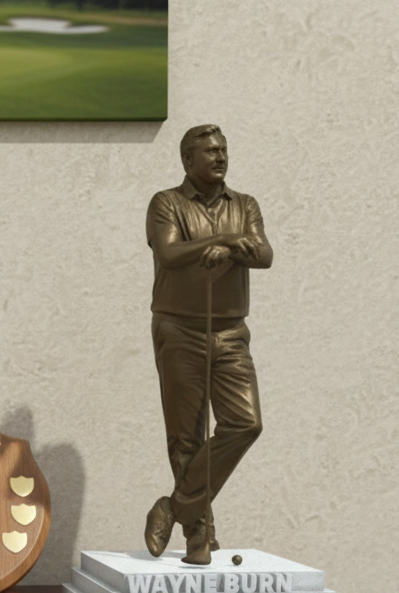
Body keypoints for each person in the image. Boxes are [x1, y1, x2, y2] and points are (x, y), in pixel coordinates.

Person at [144, 124, 273, 563]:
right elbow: (168, 254)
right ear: (187, 160)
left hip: (231, 331)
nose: (220, 157)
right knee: (186, 436)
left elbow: (264, 254)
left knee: (245, 423)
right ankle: (199, 538)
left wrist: (232, 248)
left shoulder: (245, 205)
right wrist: (221, 241)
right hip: (180, 329)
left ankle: (173, 507)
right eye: (210, 151)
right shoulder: (167, 203)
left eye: (224, 150)